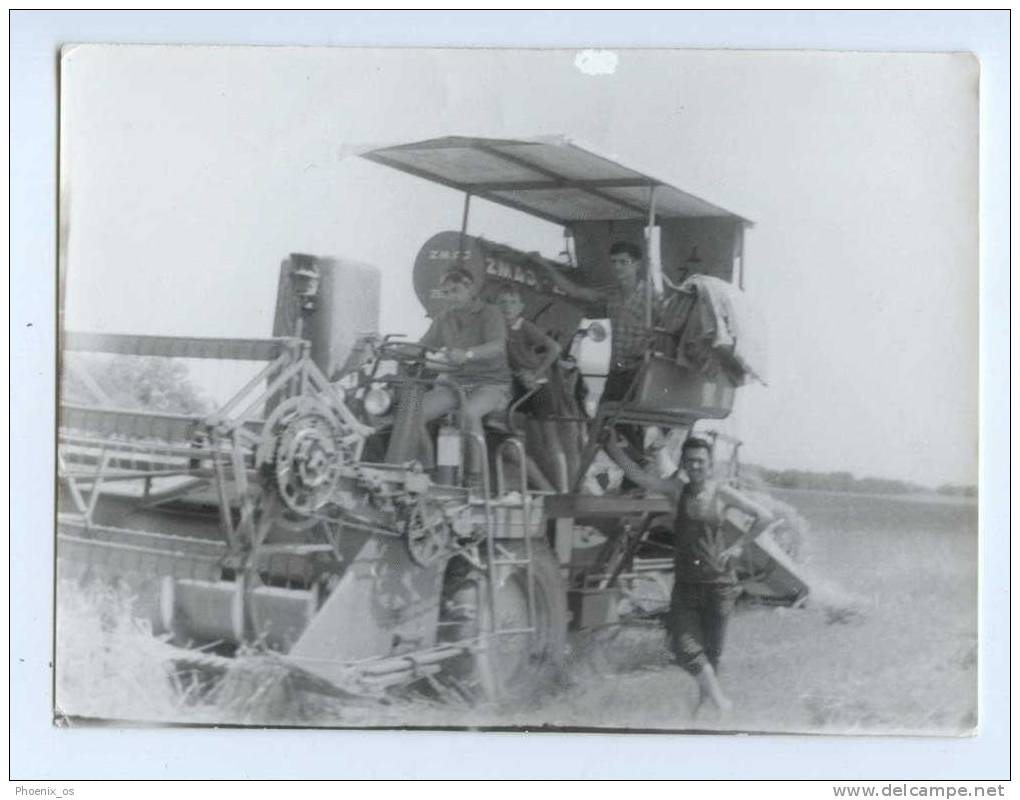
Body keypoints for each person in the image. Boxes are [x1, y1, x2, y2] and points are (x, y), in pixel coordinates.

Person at [604, 430, 780, 715]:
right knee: (683, 647)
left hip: (720, 586)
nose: (695, 466)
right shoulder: (677, 491)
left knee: (712, 655)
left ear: (709, 463)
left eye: (700, 461)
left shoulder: (722, 493)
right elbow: (641, 477)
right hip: (686, 586)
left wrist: (737, 546)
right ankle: (723, 704)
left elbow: (765, 517)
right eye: (690, 461)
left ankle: (700, 711)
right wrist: (612, 447)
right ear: (683, 464)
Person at [417, 268, 512, 486]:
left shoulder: (490, 313)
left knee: (468, 414)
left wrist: (468, 354)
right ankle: (429, 471)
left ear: (470, 288)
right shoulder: (444, 317)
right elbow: (423, 345)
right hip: (456, 383)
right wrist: (391, 349)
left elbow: (497, 347)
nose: (451, 297)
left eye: (455, 290)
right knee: (411, 410)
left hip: (491, 383)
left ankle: (474, 477)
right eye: (446, 292)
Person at [495, 286, 568, 490]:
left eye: (512, 303)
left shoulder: (524, 326)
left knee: (550, 441)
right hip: (517, 387)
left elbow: (554, 348)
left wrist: (535, 373)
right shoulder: (497, 328)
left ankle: (563, 491)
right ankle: (538, 487)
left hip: (537, 387)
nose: (507, 307)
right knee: (514, 437)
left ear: (520, 307)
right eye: (502, 302)